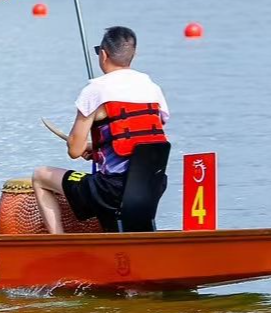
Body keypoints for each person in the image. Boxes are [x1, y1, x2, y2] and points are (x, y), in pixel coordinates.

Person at [32, 26, 170, 234]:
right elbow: (140, 136)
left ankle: (58, 243)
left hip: (112, 191)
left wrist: (80, 145)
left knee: (40, 176)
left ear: (103, 54)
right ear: (133, 54)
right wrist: (97, 147)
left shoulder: (96, 90)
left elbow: (74, 151)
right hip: (153, 186)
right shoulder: (152, 88)